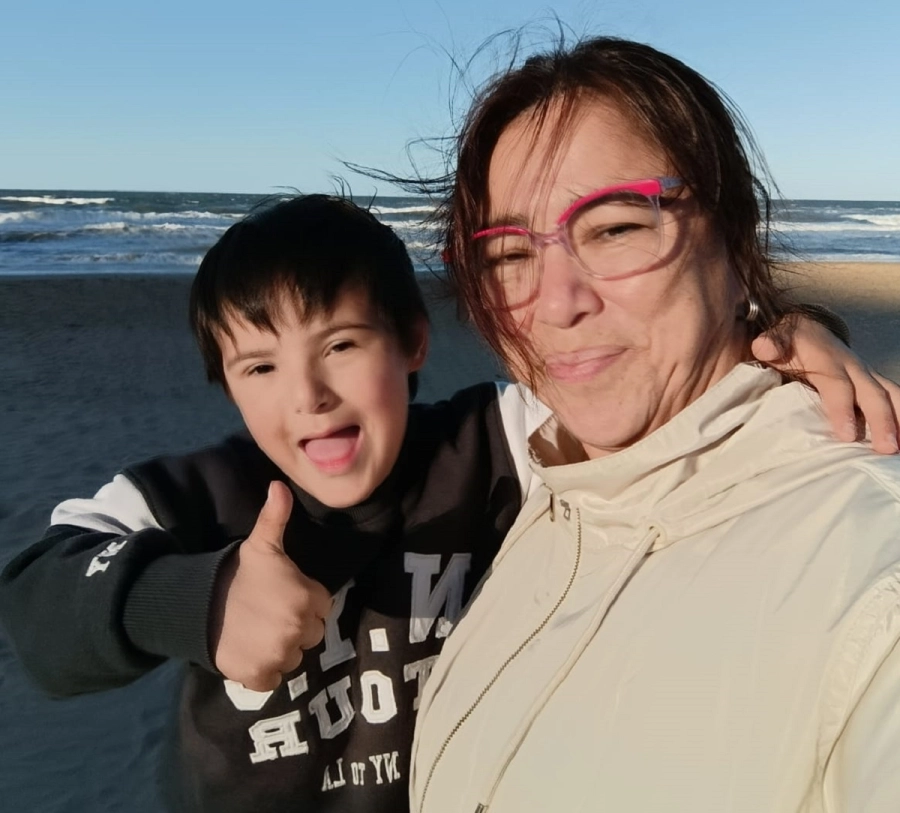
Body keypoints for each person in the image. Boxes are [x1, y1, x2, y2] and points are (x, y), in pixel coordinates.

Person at [0, 198, 890, 809]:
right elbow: (38, 598)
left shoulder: (489, 442)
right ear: (225, 382)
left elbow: (647, 388)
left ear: (413, 343)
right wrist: (197, 598)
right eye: (259, 366)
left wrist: (782, 332)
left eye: (341, 345)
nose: (307, 395)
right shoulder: (200, 495)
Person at [408, 36, 900, 813]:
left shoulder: (873, 582)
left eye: (615, 228)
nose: (555, 302)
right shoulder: (560, 488)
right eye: (507, 253)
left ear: (733, 236)